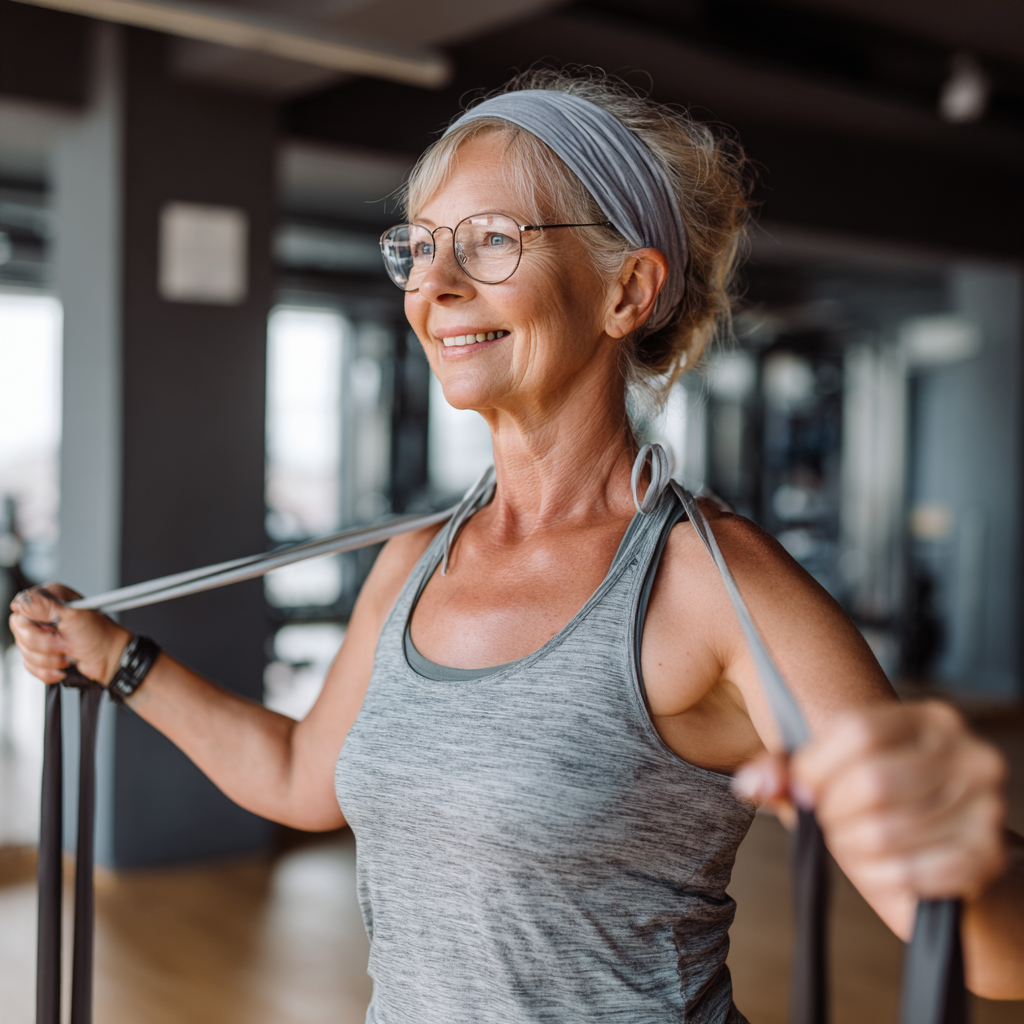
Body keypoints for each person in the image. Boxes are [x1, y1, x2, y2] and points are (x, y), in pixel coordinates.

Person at [10, 69, 1024, 1021]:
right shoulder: (413, 566)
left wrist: (959, 853)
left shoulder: (714, 586)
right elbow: (300, 779)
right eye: (418, 244)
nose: (434, 283)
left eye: (490, 239)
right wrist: (115, 659)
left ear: (627, 290)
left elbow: (990, 947)